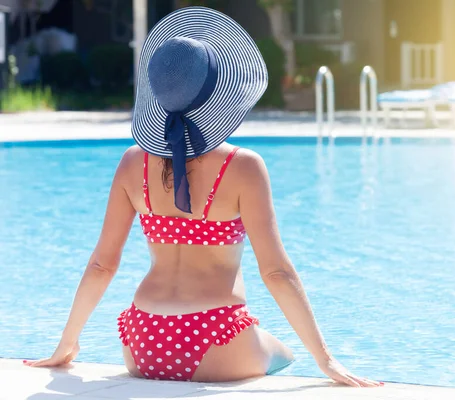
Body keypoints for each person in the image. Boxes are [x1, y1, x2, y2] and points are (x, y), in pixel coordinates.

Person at [24, 7, 382, 388]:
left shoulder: (133, 164)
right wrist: (326, 359)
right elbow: (276, 272)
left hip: (143, 341)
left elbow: (101, 265)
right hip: (215, 338)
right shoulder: (243, 167)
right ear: (219, 96)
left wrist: (67, 342)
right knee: (285, 354)